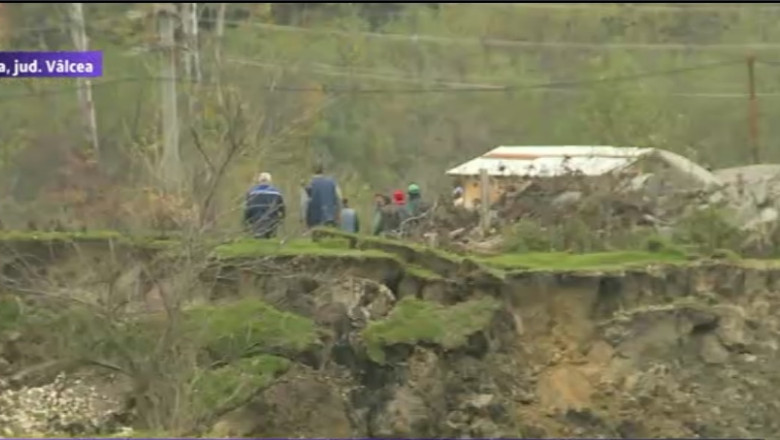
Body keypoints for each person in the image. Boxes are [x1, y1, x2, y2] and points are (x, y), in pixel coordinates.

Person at [244, 172, 285, 239]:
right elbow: (281, 207)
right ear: (270, 181)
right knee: (270, 238)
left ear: (259, 181)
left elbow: (247, 207)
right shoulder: (276, 192)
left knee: (258, 237)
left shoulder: (251, 192)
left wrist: (246, 219)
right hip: (271, 218)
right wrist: (282, 217)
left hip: (256, 218)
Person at [305, 163, 342, 229]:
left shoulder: (310, 185)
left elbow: (305, 204)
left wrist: (306, 222)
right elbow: (339, 199)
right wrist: (338, 216)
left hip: (315, 220)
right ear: (323, 171)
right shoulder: (332, 182)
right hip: (330, 218)